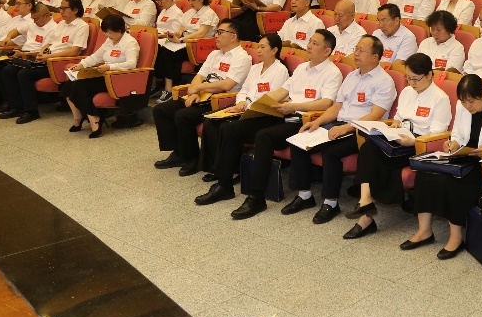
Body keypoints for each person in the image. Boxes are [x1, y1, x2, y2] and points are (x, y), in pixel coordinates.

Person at [226, 28, 350, 219]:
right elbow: (282, 92)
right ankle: (224, 182)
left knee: (264, 136)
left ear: (327, 51)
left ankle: (256, 197)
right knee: (237, 127)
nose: (309, 46)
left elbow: (326, 103)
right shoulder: (302, 67)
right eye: (310, 41)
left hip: (305, 119)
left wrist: (294, 106)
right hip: (285, 113)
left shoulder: (332, 72)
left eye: (315, 43)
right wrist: (256, 105)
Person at [280, 35, 396, 223]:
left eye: (362, 51)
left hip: (362, 131)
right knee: (299, 140)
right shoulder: (352, 75)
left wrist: (348, 128)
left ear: (375, 57)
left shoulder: (384, 81)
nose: (356, 54)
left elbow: (376, 114)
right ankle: (304, 195)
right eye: (356, 49)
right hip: (339, 123)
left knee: (332, 152)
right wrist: (318, 122)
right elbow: (337, 106)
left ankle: (330, 203)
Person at [343, 52, 453, 240]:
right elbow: (399, 117)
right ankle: (365, 201)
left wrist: (414, 141)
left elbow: (436, 135)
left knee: (374, 158)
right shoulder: (407, 92)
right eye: (408, 78)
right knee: (369, 147)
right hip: (399, 140)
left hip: (418, 146)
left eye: (416, 79)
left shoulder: (440, 98)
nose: (412, 83)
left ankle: (365, 214)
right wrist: (394, 124)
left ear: (429, 75)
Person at [407, 74, 482, 257]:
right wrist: (453, 143)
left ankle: (456, 237)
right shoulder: (461, 106)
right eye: (464, 102)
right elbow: (457, 133)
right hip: (462, 157)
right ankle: (424, 230)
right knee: (425, 175)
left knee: (453, 182)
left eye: (471, 101)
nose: (467, 106)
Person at [192, 31, 289, 205]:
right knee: (213, 121)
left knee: (229, 128)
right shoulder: (256, 68)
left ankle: (224, 184)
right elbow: (244, 89)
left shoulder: (280, 71)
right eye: (258, 47)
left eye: (263, 47)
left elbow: (270, 100)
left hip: (264, 116)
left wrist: (247, 106)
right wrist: (241, 102)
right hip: (245, 110)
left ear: (274, 50)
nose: (258, 50)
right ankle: (220, 173)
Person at [150, 20, 252, 169]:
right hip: (202, 95)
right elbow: (199, 76)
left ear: (233, 36)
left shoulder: (242, 57)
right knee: (161, 110)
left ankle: (191, 158)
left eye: (220, 32)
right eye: (216, 32)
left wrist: (200, 88)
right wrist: (196, 91)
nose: (216, 35)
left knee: (183, 115)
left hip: (220, 99)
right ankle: (179, 153)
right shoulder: (215, 54)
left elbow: (227, 85)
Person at [62, 13, 139, 139]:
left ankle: (94, 118)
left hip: (118, 78)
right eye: (106, 33)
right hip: (104, 75)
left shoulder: (130, 42)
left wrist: (109, 67)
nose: (108, 36)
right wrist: (80, 65)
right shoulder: (109, 41)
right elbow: (95, 57)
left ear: (120, 30)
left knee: (81, 85)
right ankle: (78, 116)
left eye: (110, 33)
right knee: (70, 83)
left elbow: (131, 64)